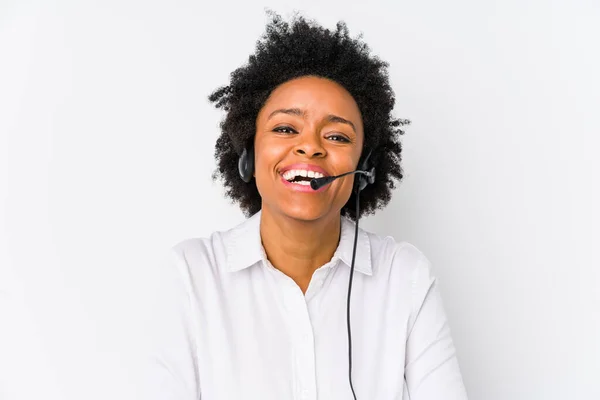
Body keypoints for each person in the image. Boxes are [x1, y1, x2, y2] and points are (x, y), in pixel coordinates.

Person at [142, 11, 468, 400]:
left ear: (363, 167)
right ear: (249, 152)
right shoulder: (193, 274)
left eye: (336, 136)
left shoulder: (405, 277)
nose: (310, 146)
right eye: (285, 129)